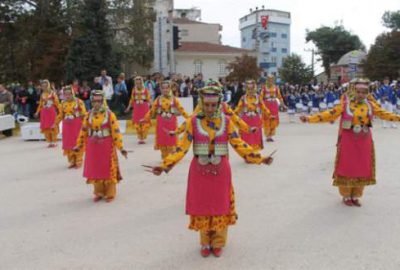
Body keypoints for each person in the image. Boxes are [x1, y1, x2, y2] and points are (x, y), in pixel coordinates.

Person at [148, 85, 274, 257]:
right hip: (198, 171)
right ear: (201, 103)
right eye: (206, 105)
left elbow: (240, 145)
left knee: (220, 206)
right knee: (202, 206)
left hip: (221, 171)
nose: (209, 108)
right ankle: (205, 241)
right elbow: (181, 148)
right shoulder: (193, 122)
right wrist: (164, 166)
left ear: (219, 104)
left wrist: (260, 158)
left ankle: (218, 241)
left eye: (213, 105)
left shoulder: (227, 122)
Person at [300, 78, 400, 207]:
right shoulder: (345, 104)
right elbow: (329, 114)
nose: (361, 94)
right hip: (348, 141)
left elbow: (385, 114)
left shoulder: (370, 105)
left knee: (362, 167)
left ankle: (356, 195)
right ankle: (346, 195)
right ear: (353, 91)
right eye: (358, 92)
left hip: (365, 141)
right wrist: (309, 118)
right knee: (347, 167)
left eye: (364, 92)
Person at [75, 90, 128, 203]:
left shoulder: (109, 115)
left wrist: (121, 147)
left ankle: (110, 193)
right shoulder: (88, 115)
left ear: (103, 101)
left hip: (107, 145)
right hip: (93, 146)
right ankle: (99, 192)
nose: (97, 103)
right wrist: (78, 144)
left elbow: (116, 132)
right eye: (94, 101)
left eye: (99, 101)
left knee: (108, 168)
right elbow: (83, 130)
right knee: (95, 169)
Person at [141, 80, 189, 158]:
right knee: (162, 139)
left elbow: (181, 110)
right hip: (161, 122)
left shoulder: (174, 99)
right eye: (163, 88)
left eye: (167, 88)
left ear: (170, 88)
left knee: (171, 139)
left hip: (172, 122)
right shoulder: (158, 99)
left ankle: (171, 156)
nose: (165, 90)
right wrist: (145, 118)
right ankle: (164, 156)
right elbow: (152, 110)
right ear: (160, 89)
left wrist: (189, 118)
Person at [234, 79, 270, 151]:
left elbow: (263, 107)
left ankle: (254, 152)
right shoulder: (243, 98)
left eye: (252, 88)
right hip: (246, 120)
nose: (250, 90)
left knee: (255, 136)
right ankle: (247, 152)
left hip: (256, 120)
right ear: (246, 89)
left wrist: (269, 114)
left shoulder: (258, 97)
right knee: (246, 136)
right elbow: (238, 109)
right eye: (248, 89)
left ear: (254, 88)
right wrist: (231, 115)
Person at [56, 86, 86, 168]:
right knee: (68, 143)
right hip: (67, 126)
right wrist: (56, 123)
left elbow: (83, 113)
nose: (68, 96)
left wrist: (76, 116)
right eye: (66, 94)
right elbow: (60, 115)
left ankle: (78, 160)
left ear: (72, 93)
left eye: (69, 94)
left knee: (77, 141)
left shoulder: (78, 102)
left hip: (76, 124)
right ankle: (72, 160)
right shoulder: (62, 103)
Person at [125, 76, 151, 144]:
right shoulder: (134, 89)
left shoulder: (145, 89)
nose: (138, 84)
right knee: (137, 123)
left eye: (139, 82)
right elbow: (132, 99)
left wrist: (152, 107)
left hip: (144, 107)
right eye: (136, 82)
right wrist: (128, 107)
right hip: (137, 107)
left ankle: (143, 137)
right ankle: (140, 138)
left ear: (141, 82)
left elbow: (149, 98)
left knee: (144, 122)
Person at [260, 75, 286, 142]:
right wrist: (261, 106)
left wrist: (283, 105)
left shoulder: (276, 88)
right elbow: (260, 98)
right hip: (266, 104)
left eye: (272, 79)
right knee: (266, 120)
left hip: (274, 105)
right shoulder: (264, 88)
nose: (270, 81)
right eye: (269, 79)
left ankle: (271, 136)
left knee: (273, 120)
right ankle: (268, 136)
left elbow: (280, 97)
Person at [34, 80, 60, 148]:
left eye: (45, 85)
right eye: (43, 86)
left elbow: (57, 102)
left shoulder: (52, 93)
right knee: (46, 127)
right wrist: (37, 112)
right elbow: (40, 104)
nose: (44, 87)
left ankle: (54, 141)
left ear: (48, 85)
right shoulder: (42, 94)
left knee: (53, 126)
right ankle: (50, 142)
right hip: (44, 112)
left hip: (51, 111)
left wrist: (59, 109)